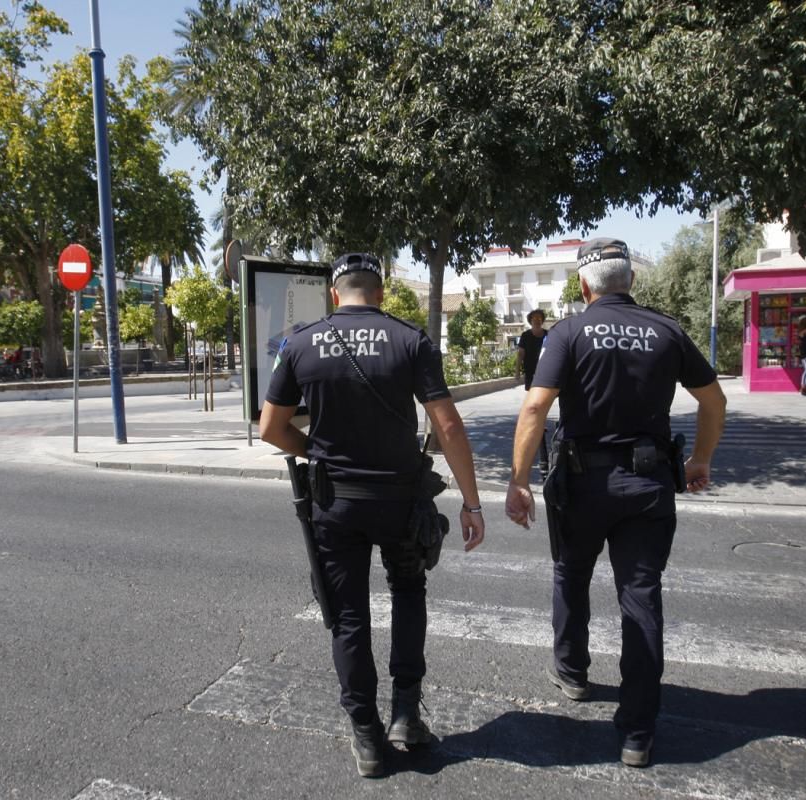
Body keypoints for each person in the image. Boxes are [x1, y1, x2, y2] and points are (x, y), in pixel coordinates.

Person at [259, 252, 486, 778]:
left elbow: (271, 429)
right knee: (408, 594)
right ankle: (406, 714)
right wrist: (472, 503)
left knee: (348, 615)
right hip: (402, 501)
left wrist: (315, 451)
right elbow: (448, 425)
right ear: (380, 293)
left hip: (334, 502)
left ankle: (366, 735)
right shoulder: (409, 340)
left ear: (334, 295)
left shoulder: (299, 343)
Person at [505, 238, 726, 768]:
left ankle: (573, 673)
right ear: (630, 281)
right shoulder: (666, 329)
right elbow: (713, 400)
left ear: (585, 285)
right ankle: (638, 732)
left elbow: (536, 406)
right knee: (641, 596)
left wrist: (517, 480)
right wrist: (699, 460)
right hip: (648, 486)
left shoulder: (569, 331)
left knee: (571, 575)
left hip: (582, 486)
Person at [516, 309, 551, 474]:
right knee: (533, 399)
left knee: (543, 399)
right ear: (530, 320)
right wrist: (517, 371)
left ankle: (540, 420)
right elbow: (520, 354)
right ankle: (536, 421)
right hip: (530, 372)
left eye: (539, 318)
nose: (537, 320)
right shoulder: (525, 335)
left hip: (545, 371)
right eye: (534, 318)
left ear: (542, 320)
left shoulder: (548, 334)